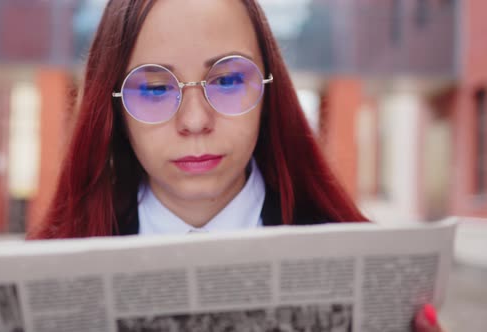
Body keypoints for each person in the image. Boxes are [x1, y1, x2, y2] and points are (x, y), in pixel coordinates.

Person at [28, 1, 444, 331]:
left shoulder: (356, 260)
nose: (194, 121)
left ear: (268, 92)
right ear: (113, 107)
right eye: (155, 88)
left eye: (226, 81)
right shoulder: (54, 267)